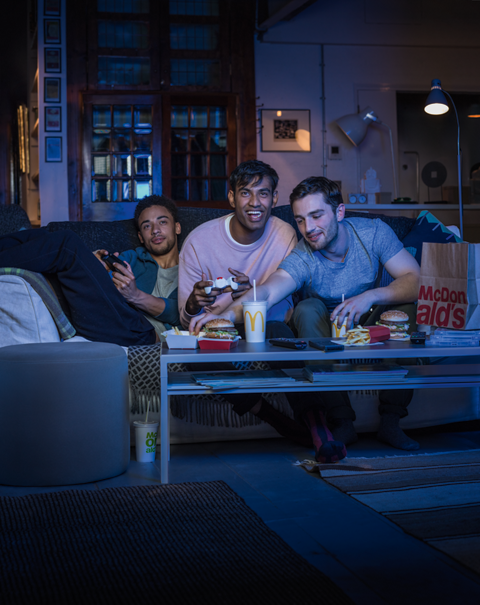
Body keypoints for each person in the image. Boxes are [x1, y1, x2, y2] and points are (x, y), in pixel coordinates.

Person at [190, 177, 421, 453]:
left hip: (369, 318)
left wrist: (371, 296)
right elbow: (267, 292)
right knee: (307, 308)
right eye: (300, 220)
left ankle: (391, 420)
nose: (308, 228)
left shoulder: (373, 233)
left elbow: (415, 279)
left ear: (339, 212)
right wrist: (226, 317)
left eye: (316, 215)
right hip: (325, 326)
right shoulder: (303, 254)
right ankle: (341, 420)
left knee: (406, 309)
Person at [178, 161, 347, 460]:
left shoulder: (285, 235)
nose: (255, 202)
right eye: (246, 193)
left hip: (271, 325)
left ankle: (317, 425)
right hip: (217, 329)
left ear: (274, 197)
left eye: (264, 193)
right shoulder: (198, 242)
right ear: (232, 197)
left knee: (280, 333)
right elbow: (185, 318)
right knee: (194, 353)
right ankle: (272, 416)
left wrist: (250, 295)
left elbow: (291, 302)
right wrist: (194, 303)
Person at [0, 195, 181, 347]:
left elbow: (181, 313)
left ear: (177, 227)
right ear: (140, 236)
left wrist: (135, 296)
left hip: (145, 336)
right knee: (42, 236)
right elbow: (102, 292)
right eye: (147, 226)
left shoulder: (189, 267)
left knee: (67, 245)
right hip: (107, 318)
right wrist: (95, 267)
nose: (155, 230)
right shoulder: (132, 257)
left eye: (162, 222)